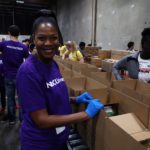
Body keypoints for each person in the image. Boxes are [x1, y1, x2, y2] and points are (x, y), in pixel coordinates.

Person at [16, 9, 104, 150]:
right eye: (42, 38)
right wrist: (85, 114)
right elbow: (41, 120)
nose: (48, 43)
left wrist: (76, 99)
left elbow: (50, 94)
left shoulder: (52, 63)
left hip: (58, 138)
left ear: (59, 39)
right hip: (40, 143)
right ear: (34, 39)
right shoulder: (28, 72)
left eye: (53, 37)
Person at [0, 25, 29, 125]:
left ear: (8, 33)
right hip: (20, 76)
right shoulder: (24, 47)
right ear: (19, 34)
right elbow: (29, 61)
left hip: (8, 76)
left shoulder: (3, 44)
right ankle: (22, 120)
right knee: (22, 99)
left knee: (10, 98)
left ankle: (12, 119)